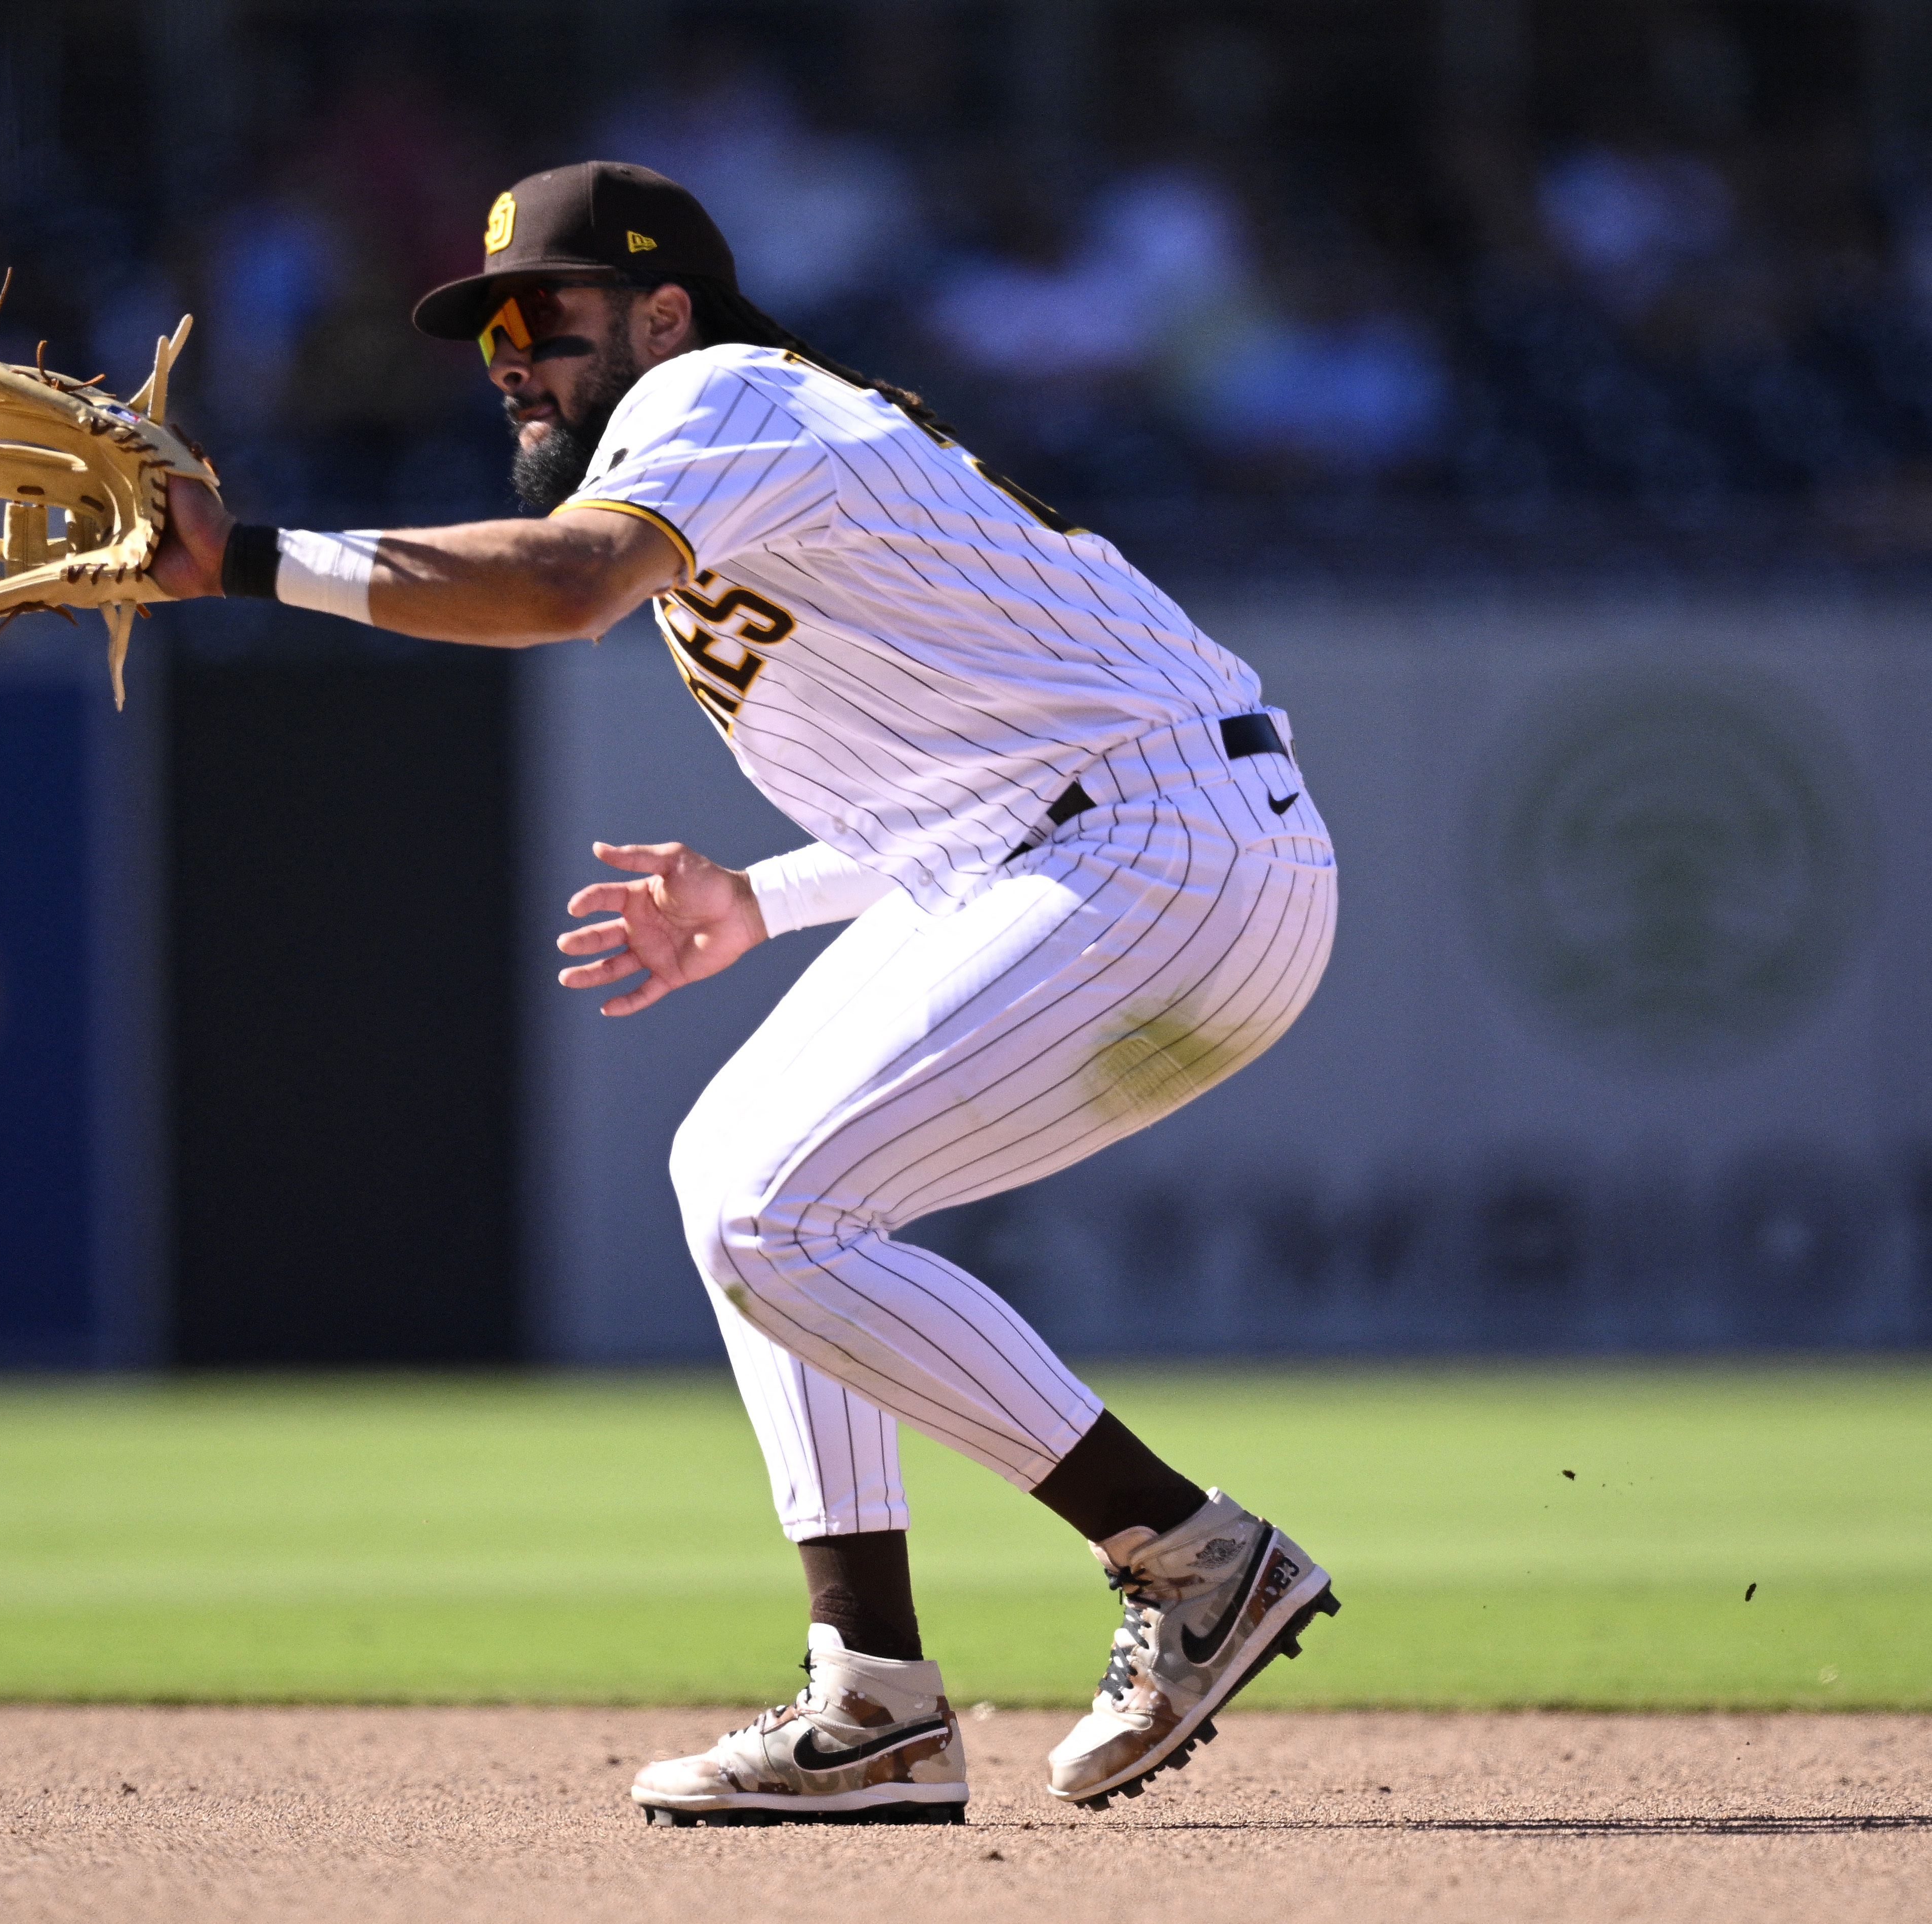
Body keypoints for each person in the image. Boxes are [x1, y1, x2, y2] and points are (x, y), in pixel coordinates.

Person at [150, 162, 1342, 1825]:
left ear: (660, 310)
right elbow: (987, 779)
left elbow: (558, 588)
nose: (508, 351)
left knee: (774, 1206)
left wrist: (243, 560)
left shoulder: (720, 392)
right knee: (743, 1186)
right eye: (486, 324)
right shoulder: (725, 449)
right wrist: (760, 901)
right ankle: (873, 1699)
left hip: (1164, 852)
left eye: (543, 313)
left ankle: (1195, 1555)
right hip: (1126, 848)